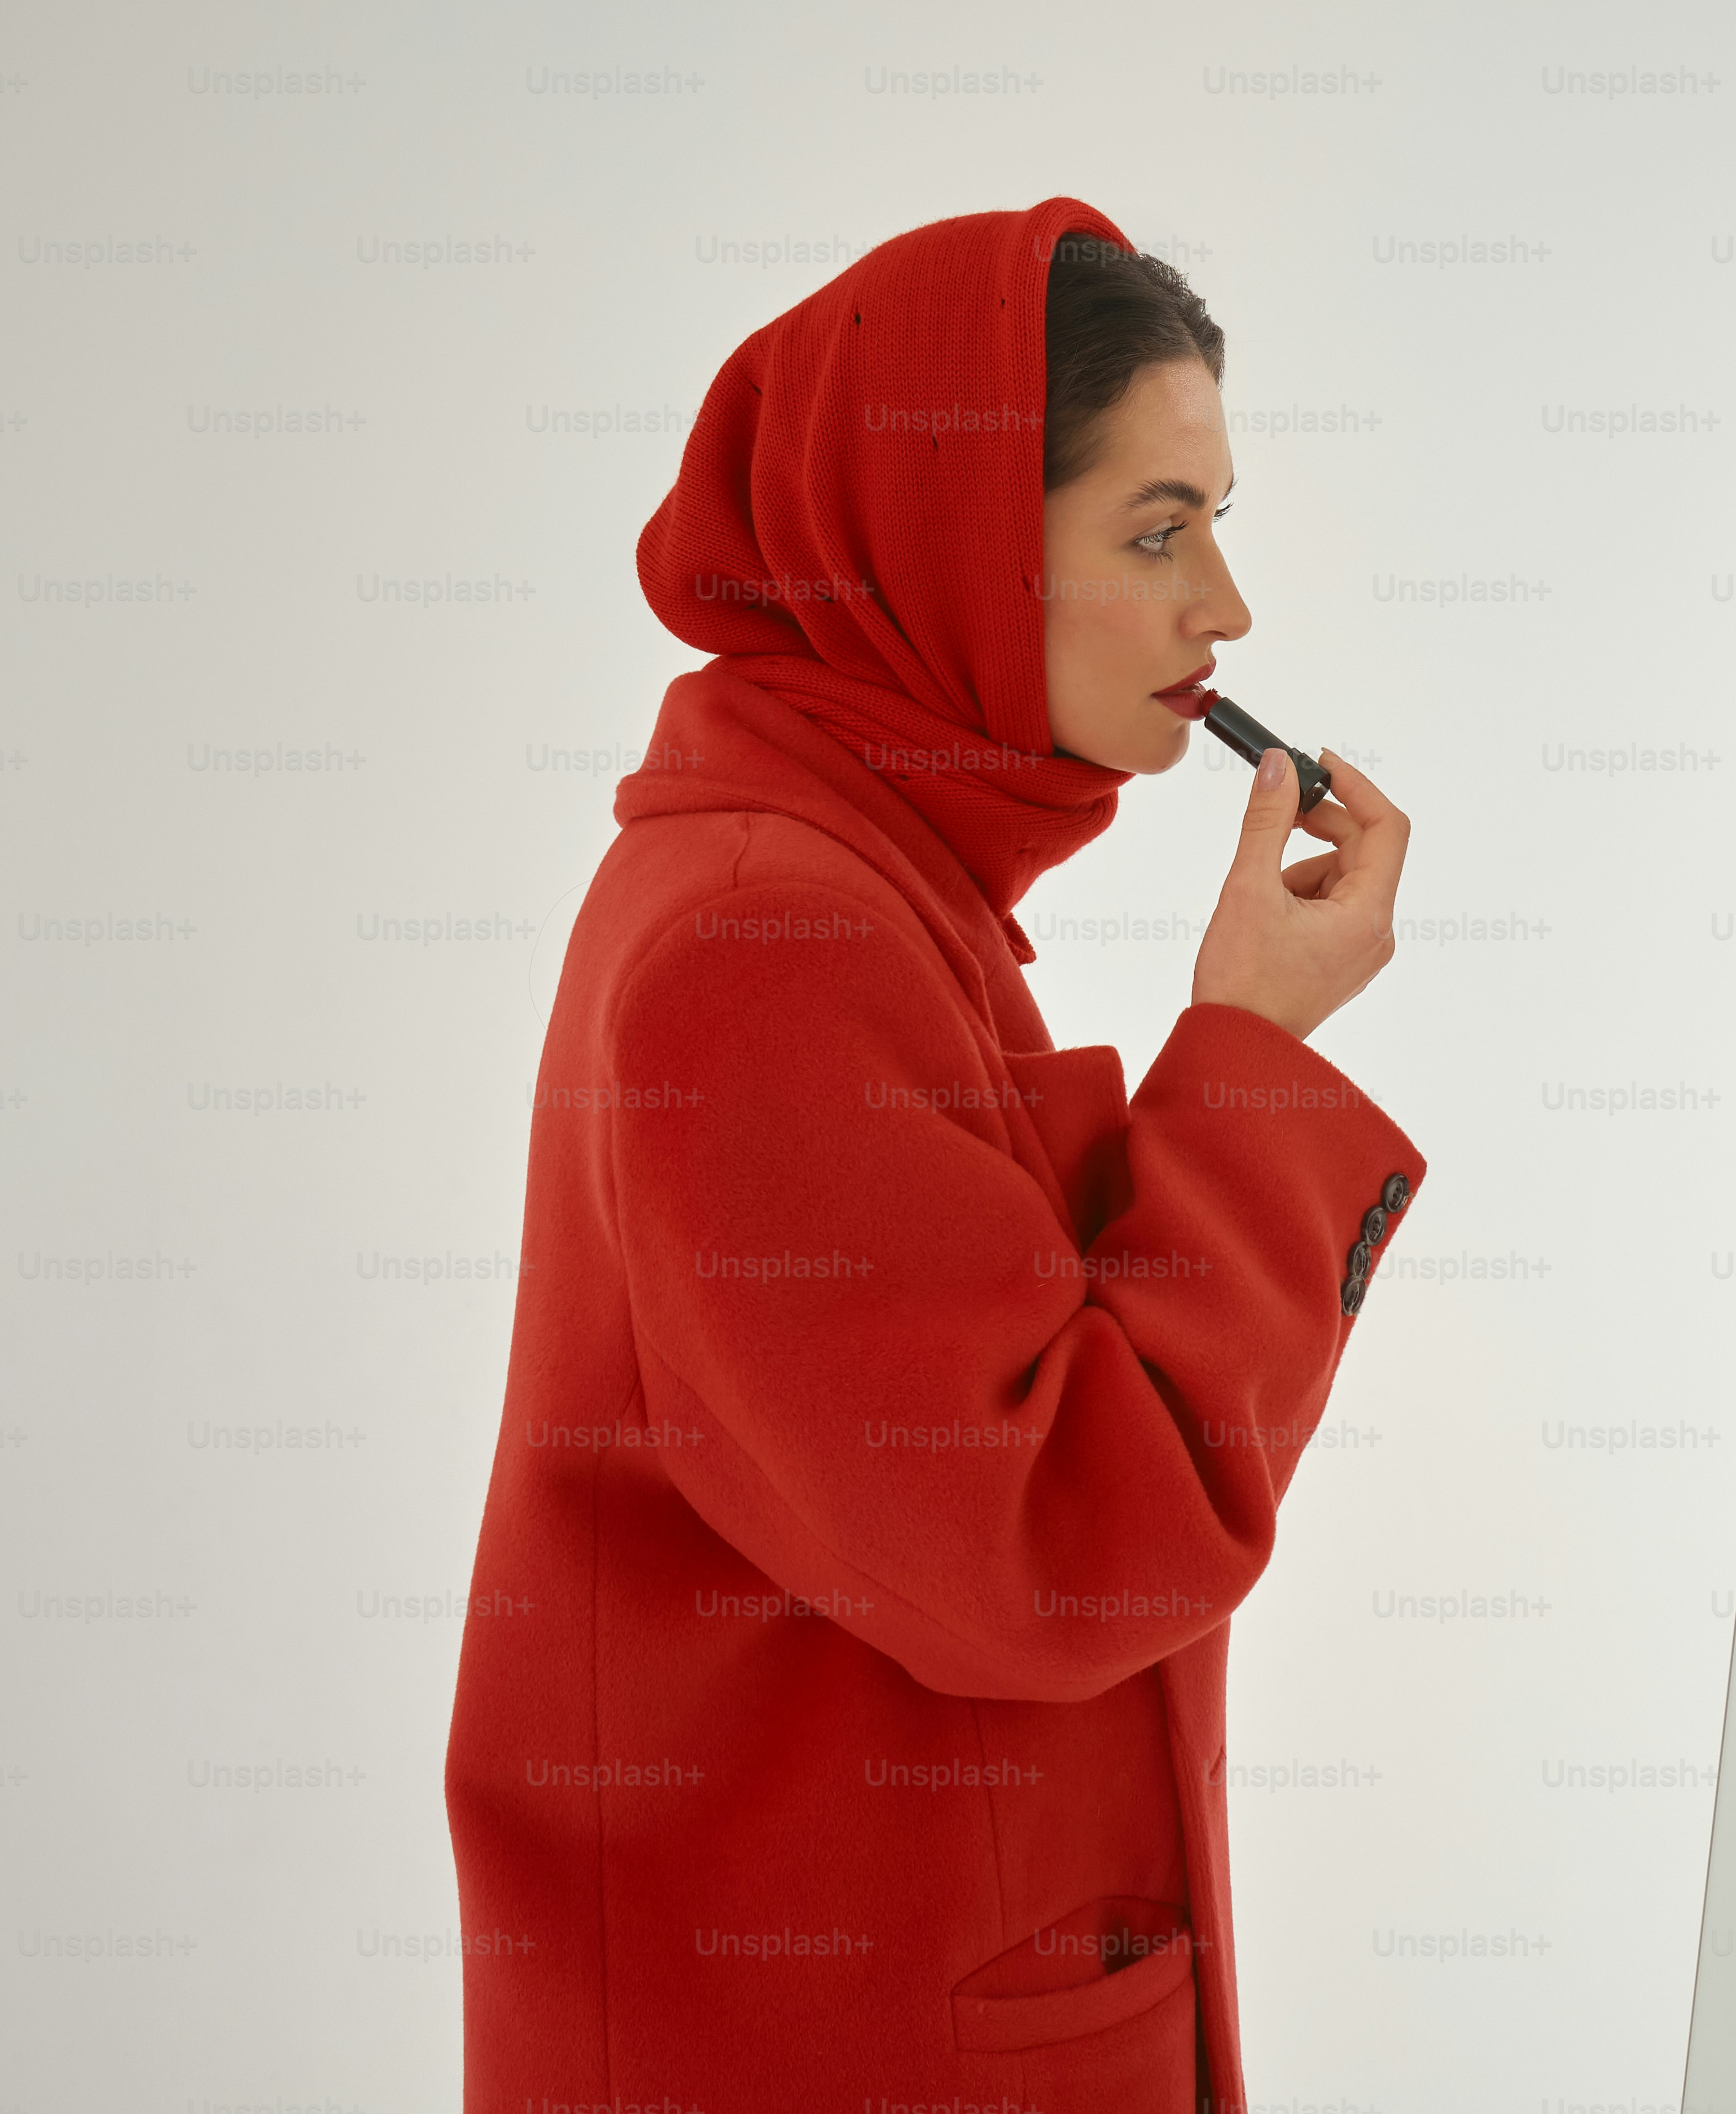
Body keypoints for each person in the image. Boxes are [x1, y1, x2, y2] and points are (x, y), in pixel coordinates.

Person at [444, 197, 1424, 2111]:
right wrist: (1246, 1053)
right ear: (956, 546)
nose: (1224, 611)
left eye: (1218, 525)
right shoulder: (764, 944)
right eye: (1156, 530)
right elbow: (1046, 1542)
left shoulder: (867, 891)